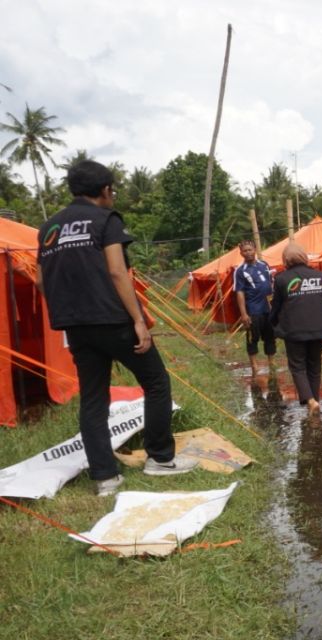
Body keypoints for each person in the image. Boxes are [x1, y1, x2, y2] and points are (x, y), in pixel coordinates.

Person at [37, 160, 198, 496]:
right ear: (105, 190)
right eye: (113, 190)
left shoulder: (49, 228)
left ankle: (105, 478)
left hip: (74, 326)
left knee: (93, 399)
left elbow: (41, 279)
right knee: (155, 382)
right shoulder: (106, 219)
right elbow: (116, 272)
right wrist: (139, 320)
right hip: (112, 320)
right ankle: (160, 459)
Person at [270, 242, 322, 415]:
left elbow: (276, 306)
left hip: (294, 329)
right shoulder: (321, 276)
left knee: (298, 366)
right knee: (314, 366)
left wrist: (273, 324)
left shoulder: (281, 279)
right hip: (319, 328)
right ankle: (314, 401)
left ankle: (311, 401)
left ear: (285, 259)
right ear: (304, 257)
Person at [233, 240, 276, 374]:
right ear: (241, 253)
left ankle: (271, 362)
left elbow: (271, 283)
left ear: (255, 250)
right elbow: (239, 292)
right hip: (253, 309)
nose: (248, 253)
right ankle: (254, 365)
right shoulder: (240, 271)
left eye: (250, 250)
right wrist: (244, 314)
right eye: (245, 251)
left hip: (268, 308)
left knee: (270, 336)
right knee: (253, 338)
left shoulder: (264, 265)